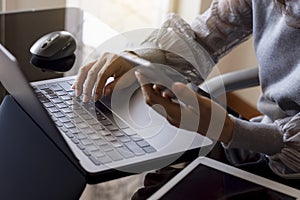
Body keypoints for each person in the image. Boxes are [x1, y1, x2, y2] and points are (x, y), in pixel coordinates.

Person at [72, 0, 300, 197]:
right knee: (157, 183)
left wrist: (227, 129)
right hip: (264, 135)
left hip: (290, 166)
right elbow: (205, 34)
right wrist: (139, 58)